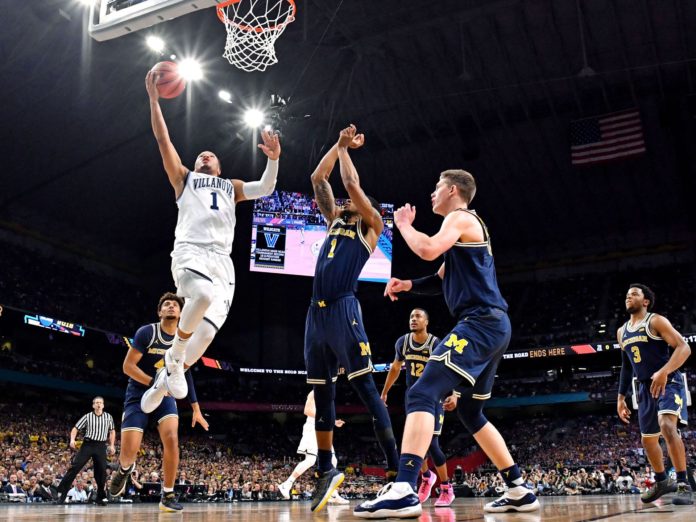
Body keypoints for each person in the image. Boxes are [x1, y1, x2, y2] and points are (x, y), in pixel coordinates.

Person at [355, 169, 540, 518]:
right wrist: (408, 285)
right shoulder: (462, 232)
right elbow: (439, 277)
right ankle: (518, 488)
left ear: (453, 190)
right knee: (471, 412)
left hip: (480, 323)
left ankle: (404, 487)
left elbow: (426, 249)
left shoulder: (459, 218)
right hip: (493, 325)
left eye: (436, 187)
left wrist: (403, 225)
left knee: (422, 392)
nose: (431, 194)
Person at [140, 70, 281, 412]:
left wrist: (274, 159)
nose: (205, 156)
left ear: (218, 167)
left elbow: (265, 188)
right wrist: (154, 100)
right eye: (201, 154)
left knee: (204, 337)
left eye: (210, 156)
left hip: (222, 262)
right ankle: (173, 358)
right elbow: (163, 141)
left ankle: (164, 381)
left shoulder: (231, 187)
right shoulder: (184, 179)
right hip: (190, 252)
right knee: (200, 296)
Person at [305, 124, 399, 512]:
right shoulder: (333, 222)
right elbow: (317, 178)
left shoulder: (370, 224)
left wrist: (346, 150)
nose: (343, 201)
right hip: (315, 314)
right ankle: (325, 468)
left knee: (365, 390)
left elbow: (348, 181)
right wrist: (336, 144)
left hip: (345, 309)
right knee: (322, 392)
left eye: (351, 201)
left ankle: (397, 472)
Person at [108, 292, 209, 512]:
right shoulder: (147, 332)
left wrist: (196, 408)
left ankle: (168, 494)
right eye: (167, 304)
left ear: (182, 313)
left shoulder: (184, 340)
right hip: (139, 391)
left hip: (165, 394)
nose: (171, 306)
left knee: (172, 438)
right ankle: (125, 469)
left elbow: (185, 373)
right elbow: (128, 367)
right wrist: (155, 383)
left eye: (175, 304)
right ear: (159, 312)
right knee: (128, 453)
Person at [616, 284, 693, 505]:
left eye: (634, 294)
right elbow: (626, 366)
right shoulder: (622, 331)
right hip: (643, 388)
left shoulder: (656, 321)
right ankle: (662, 481)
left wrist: (664, 372)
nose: (629, 297)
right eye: (627, 294)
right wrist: (621, 398)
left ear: (646, 301)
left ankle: (682, 483)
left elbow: (683, 347)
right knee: (648, 440)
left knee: (667, 426)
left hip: (668, 381)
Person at [381, 308, 458, 506]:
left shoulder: (435, 343)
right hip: (413, 397)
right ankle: (426, 477)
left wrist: (454, 394)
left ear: (427, 322)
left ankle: (446, 487)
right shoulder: (403, 342)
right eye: (411, 316)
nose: (413, 319)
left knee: (431, 444)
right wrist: (385, 391)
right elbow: (396, 367)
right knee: (415, 442)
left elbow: (449, 369)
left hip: (434, 396)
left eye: (418, 316)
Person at [278, 391, 349, 504]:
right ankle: (286, 484)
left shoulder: (328, 392)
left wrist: (333, 422)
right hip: (312, 428)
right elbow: (307, 410)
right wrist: (327, 419)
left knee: (333, 460)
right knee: (310, 460)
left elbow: (325, 415)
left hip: (323, 428)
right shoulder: (315, 391)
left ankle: (332, 493)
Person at [56, 397, 115, 505]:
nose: (98, 404)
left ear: (103, 405)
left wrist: (112, 445)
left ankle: (100, 497)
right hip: (88, 444)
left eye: (100, 403)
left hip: (101, 445)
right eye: (96, 403)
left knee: (101, 471)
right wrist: (72, 440)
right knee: (74, 467)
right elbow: (75, 428)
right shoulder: (88, 416)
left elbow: (112, 431)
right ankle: (62, 494)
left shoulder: (108, 417)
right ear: (93, 405)